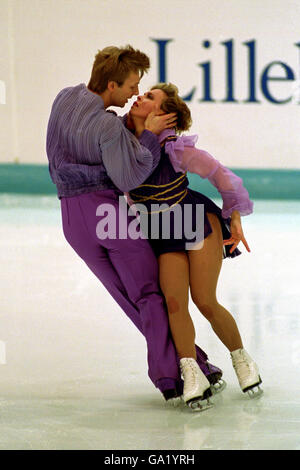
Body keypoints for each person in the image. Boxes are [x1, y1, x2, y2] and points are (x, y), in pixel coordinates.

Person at [46, 45, 223, 407]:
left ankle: (196, 365)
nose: (134, 93)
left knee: (130, 299)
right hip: (106, 215)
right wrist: (148, 137)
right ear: (111, 84)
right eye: (130, 86)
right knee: (148, 294)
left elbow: (55, 156)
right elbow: (128, 178)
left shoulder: (64, 97)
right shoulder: (108, 124)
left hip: (71, 219)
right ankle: (174, 377)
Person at [126, 82, 263, 406]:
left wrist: (235, 216)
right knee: (174, 304)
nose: (138, 97)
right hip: (161, 229)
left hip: (195, 220)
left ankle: (242, 359)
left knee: (204, 299)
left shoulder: (175, 149)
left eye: (148, 98)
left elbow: (221, 175)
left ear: (164, 116)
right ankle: (191, 371)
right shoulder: (128, 144)